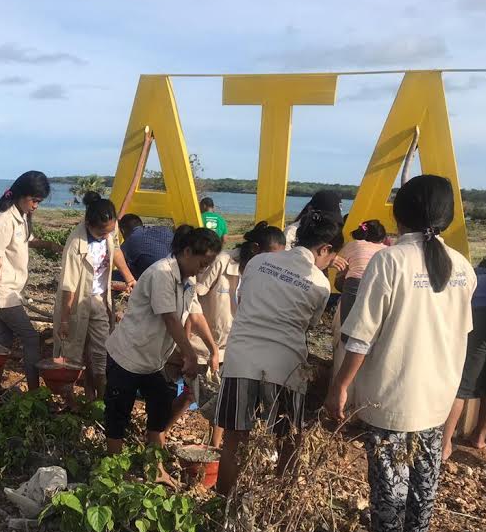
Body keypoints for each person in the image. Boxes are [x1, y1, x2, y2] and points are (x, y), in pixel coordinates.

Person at [325, 175, 476, 532]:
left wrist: (339, 387)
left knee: (389, 488)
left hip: (392, 398)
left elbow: (360, 335)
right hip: (437, 397)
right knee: (424, 483)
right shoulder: (462, 267)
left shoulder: (389, 262)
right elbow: (461, 333)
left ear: (399, 214)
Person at [215, 211, 343, 495]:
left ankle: (223, 504)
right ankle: (279, 502)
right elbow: (309, 324)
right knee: (286, 439)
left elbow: (245, 300)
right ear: (324, 249)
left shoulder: (260, 261)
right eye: (330, 258)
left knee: (234, 438)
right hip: (285, 365)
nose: (328, 264)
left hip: (241, 359)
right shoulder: (320, 283)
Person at [104, 226, 221, 457]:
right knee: (118, 414)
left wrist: (213, 349)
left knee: (160, 409)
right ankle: (113, 467)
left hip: (152, 361)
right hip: (128, 355)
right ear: (187, 251)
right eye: (202, 262)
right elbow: (169, 318)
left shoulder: (188, 281)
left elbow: (195, 316)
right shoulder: (162, 273)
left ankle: (154, 465)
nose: (203, 269)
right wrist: (189, 354)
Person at [195, 222, 286, 448]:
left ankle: (215, 447)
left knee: (221, 398)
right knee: (203, 397)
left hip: (235, 345)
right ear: (255, 249)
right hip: (206, 342)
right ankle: (161, 435)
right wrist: (207, 347)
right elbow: (194, 299)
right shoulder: (222, 261)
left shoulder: (267, 271)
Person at [0, 171, 60, 406]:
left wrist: (51, 245)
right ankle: (35, 395)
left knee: (1, 347)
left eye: (39, 202)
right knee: (30, 338)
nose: (36, 206)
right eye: (34, 200)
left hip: (11, 293)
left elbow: (29, 240)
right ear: (20, 194)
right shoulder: (3, 220)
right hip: (3, 294)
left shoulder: (21, 216)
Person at [53, 193, 137, 400]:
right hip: (75, 304)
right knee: (71, 352)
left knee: (100, 352)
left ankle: (100, 400)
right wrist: (64, 319)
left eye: (109, 231)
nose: (106, 235)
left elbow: (115, 249)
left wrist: (129, 278)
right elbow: (68, 286)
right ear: (88, 224)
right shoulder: (75, 244)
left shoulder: (111, 228)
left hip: (100, 299)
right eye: (101, 232)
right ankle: (70, 401)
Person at [441, 255, 486, 460]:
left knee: (461, 385)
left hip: (478, 317)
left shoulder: (475, 274)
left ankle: (444, 444)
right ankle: (479, 437)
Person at [335, 219, 388, 326]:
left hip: (354, 284)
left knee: (347, 325)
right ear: (382, 238)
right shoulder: (386, 250)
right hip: (379, 286)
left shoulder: (354, 244)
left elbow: (341, 266)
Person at [118, 214, 174, 280]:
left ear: (122, 231)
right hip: (178, 273)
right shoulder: (165, 230)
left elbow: (122, 265)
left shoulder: (128, 242)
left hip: (158, 280)